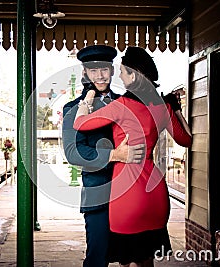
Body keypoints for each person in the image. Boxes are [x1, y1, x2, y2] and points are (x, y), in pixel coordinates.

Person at [73, 46, 192, 267]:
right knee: (146, 260)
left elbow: (80, 123)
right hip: (156, 193)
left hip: (127, 194)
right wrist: (176, 109)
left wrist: (87, 97)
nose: (119, 75)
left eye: (123, 72)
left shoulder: (122, 106)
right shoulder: (163, 106)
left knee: (127, 260)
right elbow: (187, 140)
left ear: (133, 75)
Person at [62, 45, 145, 267]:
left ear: (111, 70)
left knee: (134, 258)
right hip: (99, 196)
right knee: (98, 259)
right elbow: (73, 153)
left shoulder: (126, 102)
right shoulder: (73, 108)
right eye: (93, 70)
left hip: (130, 194)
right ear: (85, 74)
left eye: (104, 70)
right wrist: (115, 155)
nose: (100, 76)